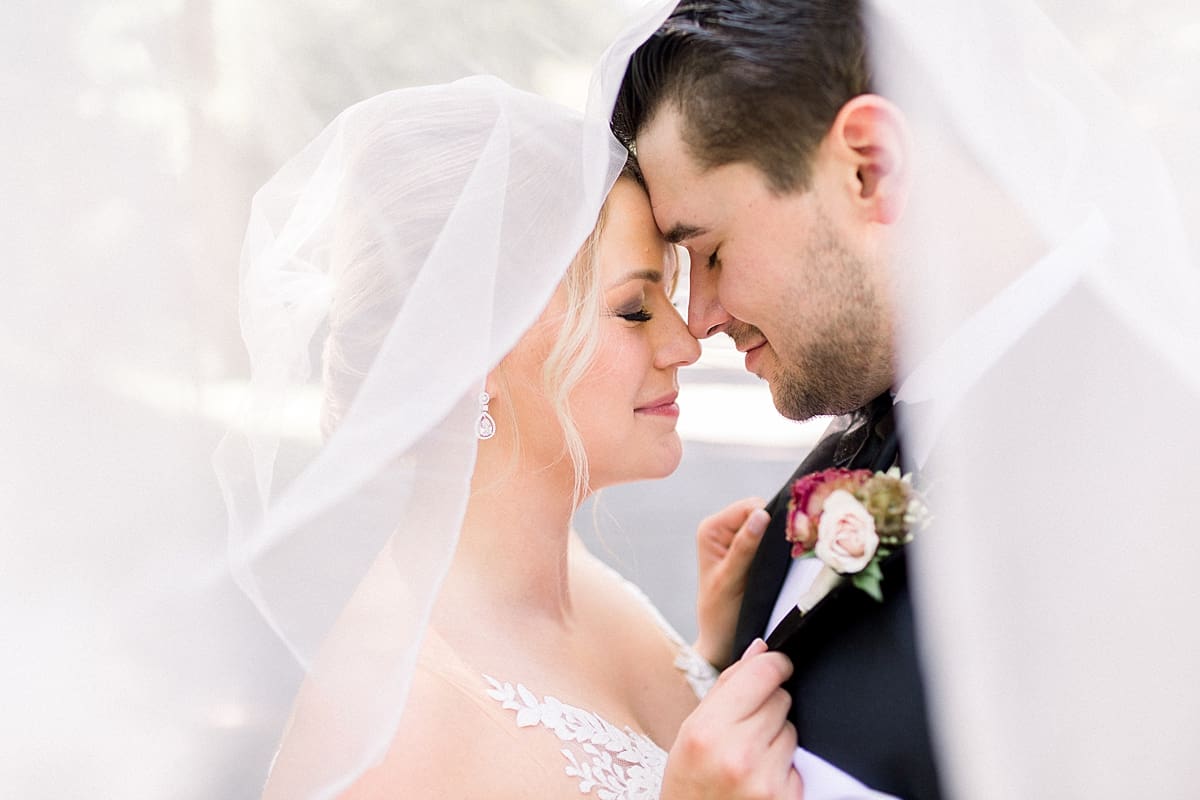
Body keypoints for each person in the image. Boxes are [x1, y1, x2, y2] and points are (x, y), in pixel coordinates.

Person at [608, 1, 1200, 798]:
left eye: (709, 252)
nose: (701, 317)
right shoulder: (849, 458)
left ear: (871, 167)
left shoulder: (1164, 453)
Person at [216, 75, 803, 799]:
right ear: (471, 357)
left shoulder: (578, 581)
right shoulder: (398, 724)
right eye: (632, 308)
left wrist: (708, 661)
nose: (685, 343)